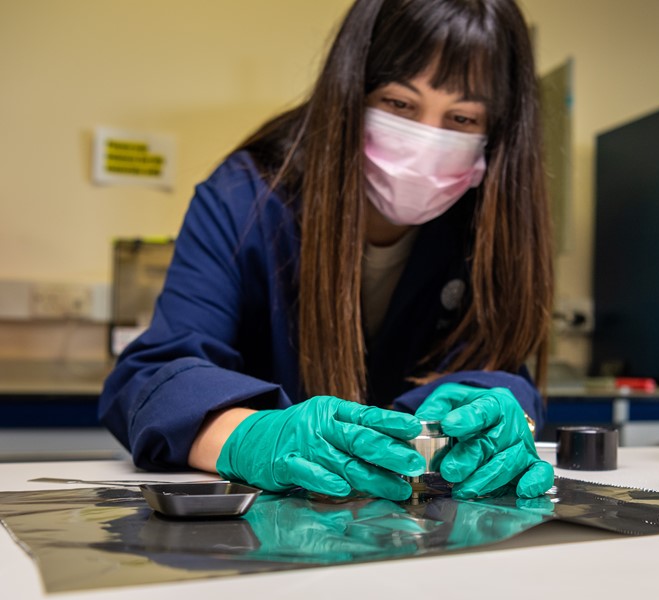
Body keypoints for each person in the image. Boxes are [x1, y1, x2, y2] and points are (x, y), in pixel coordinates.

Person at [99, 0, 555, 502]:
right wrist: (252, 438)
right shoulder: (247, 197)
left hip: (424, 537)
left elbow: (497, 364)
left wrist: (484, 412)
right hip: (263, 537)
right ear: (350, 91)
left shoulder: (484, 220)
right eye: (399, 104)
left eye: (463, 117)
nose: (427, 140)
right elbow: (154, 380)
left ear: (499, 132)